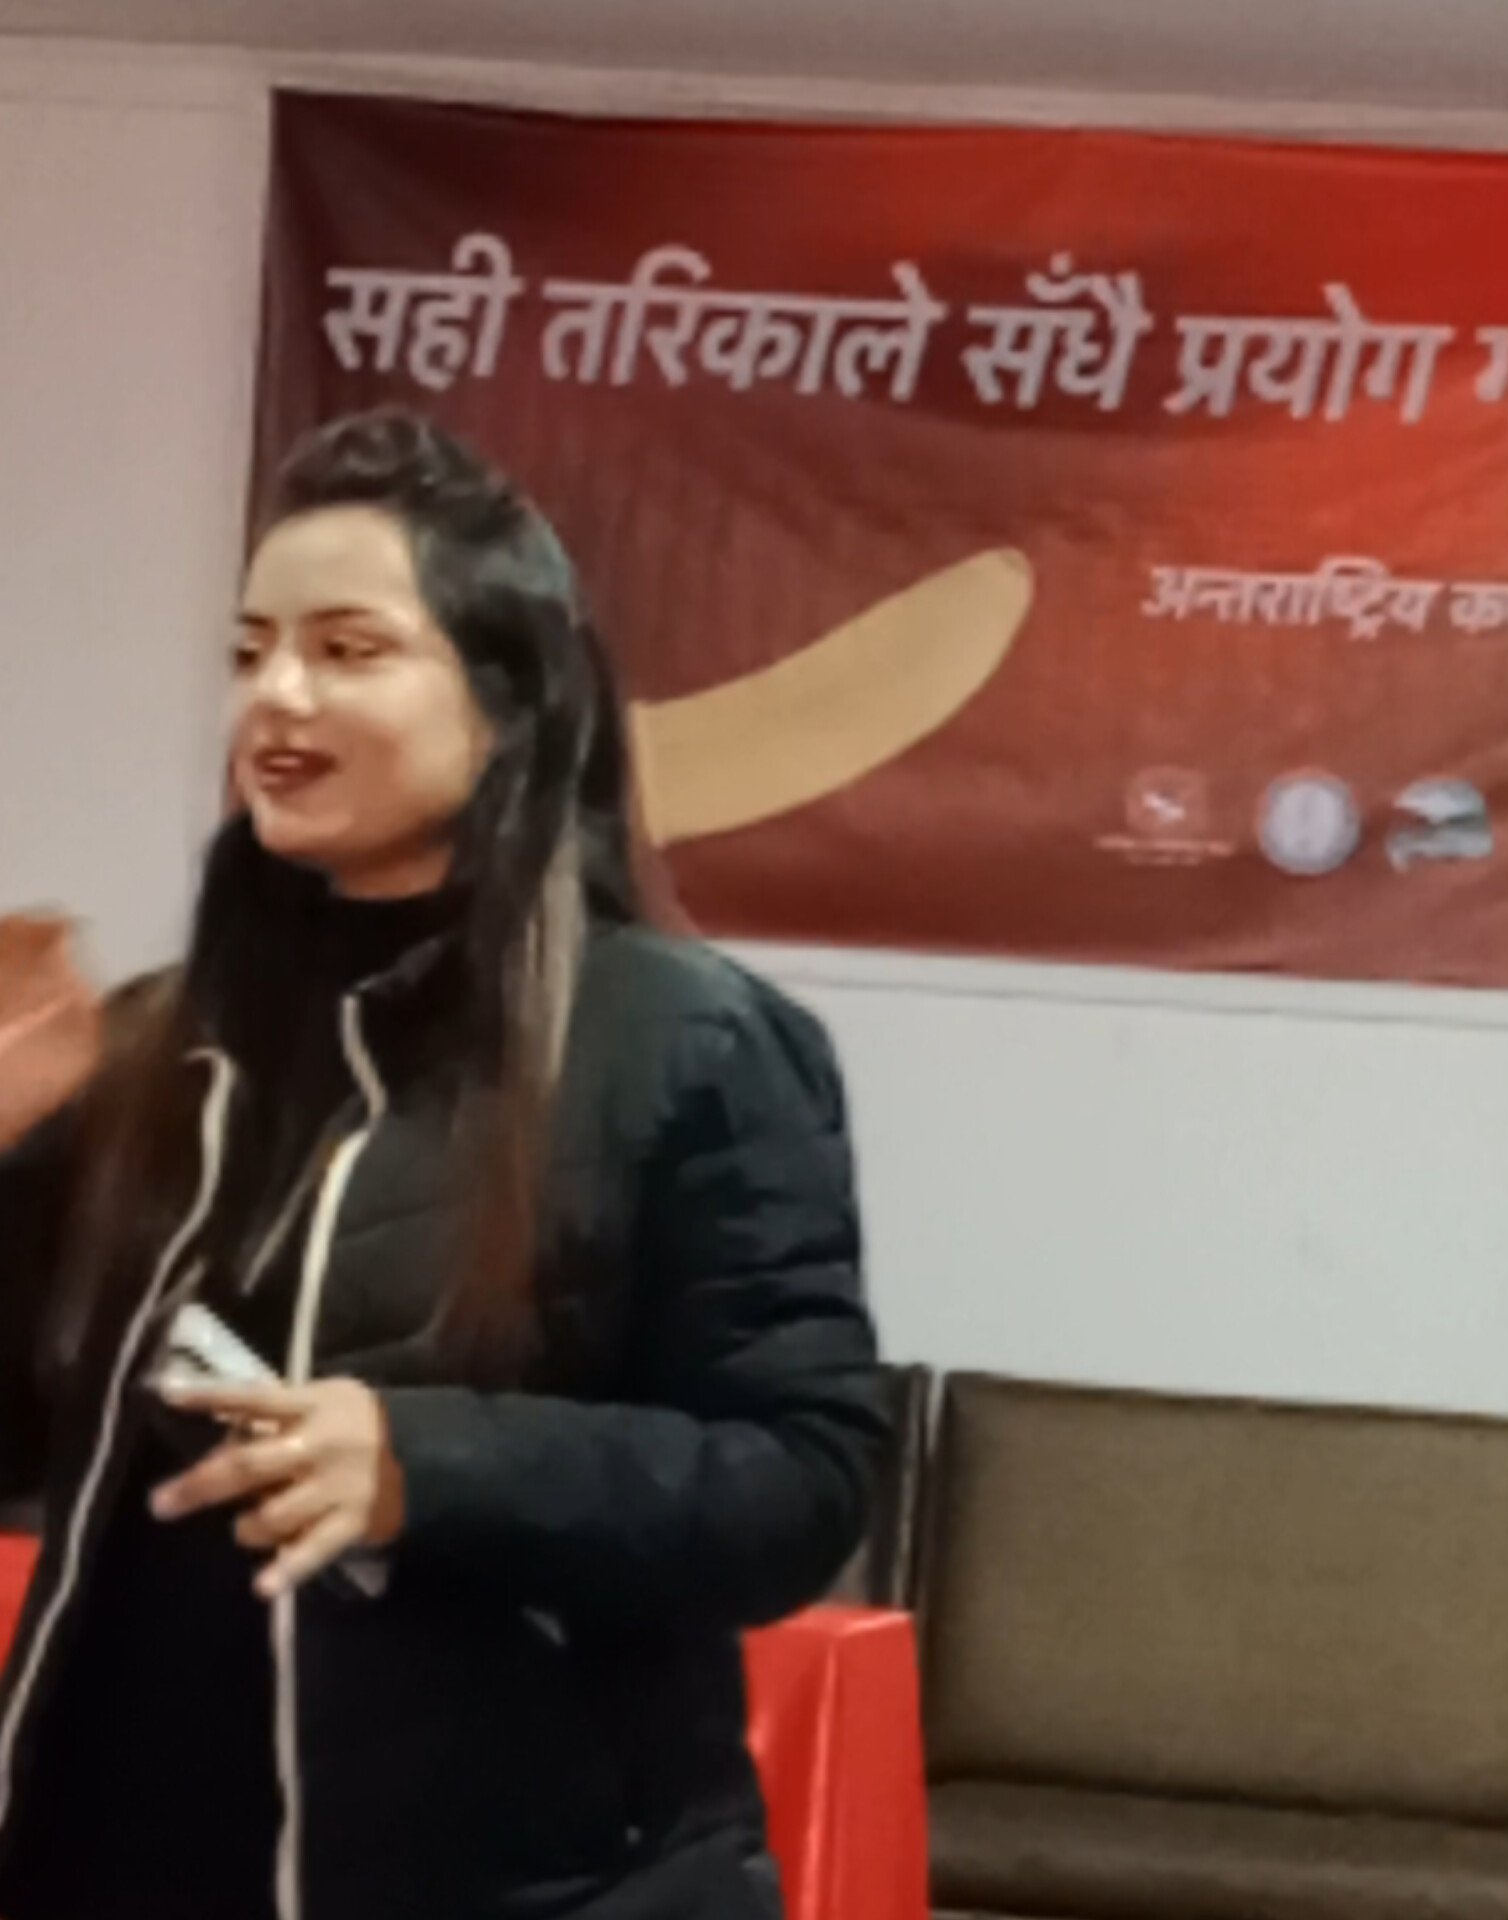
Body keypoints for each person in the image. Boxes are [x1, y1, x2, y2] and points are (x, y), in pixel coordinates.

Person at [0, 408, 886, 1920]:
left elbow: (798, 1484)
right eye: (250, 651)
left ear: (506, 698)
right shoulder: (155, 1044)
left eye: (348, 649)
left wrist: (430, 1464)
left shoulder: (687, 1042)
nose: (277, 695)